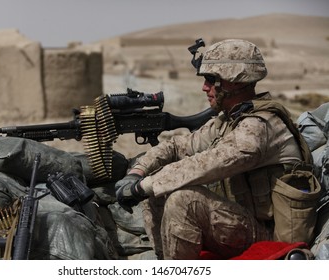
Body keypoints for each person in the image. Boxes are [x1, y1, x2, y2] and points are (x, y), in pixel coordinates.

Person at [115, 39, 321, 260]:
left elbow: (211, 162)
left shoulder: (260, 126)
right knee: (157, 191)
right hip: (242, 224)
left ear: (234, 81)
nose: (205, 87)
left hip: (270, 235)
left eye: (211, 80)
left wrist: (143, 186)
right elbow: (177, 146)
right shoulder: (230, 120)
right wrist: (138, 173)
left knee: (184, 200)